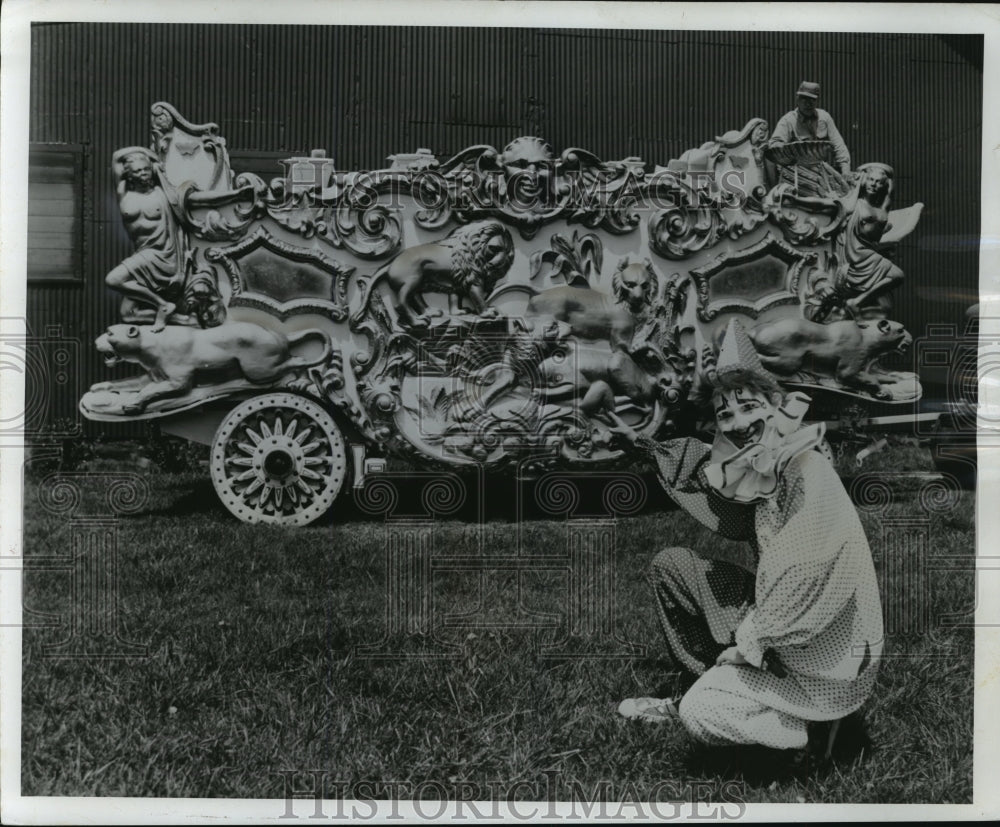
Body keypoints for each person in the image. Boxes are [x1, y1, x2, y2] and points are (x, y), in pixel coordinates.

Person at [615, 319, 883, 762]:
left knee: (702, 714)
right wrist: (649, 447)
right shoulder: (759, 470)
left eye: (749, 406)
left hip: (822, 646)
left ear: (776, 405)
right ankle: (723, 689)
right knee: (673, 566)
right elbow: (708, 487)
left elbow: (805, 572)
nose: (738, 423)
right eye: (725, 413)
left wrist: (750, 645)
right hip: (782, 617)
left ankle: (808, 735)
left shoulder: (807, 470)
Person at [770, 81, 851, 176]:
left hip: (821, 172)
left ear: (817, 101)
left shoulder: (824, 117)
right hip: (796, 173)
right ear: (798, 99)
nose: (808, 104)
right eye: (804, 99)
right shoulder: (788, 120)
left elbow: (838, 144)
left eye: (812, 100)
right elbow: (774, 144)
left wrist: (845, 168)